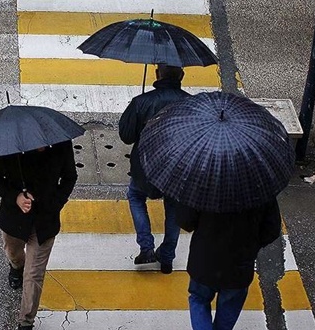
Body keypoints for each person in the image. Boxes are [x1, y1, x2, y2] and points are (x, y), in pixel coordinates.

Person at [0, 140, 77, 330]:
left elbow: (70, 177)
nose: (42, 146)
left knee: (34, 274)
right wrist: (16, 197)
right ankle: (15, 267)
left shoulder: (62, 145)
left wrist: (55, 204)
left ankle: (26, 322)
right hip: (14, 219)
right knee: (14, 254)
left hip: (45, 222)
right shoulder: (10, 147)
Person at [118, 65, 190, 274]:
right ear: (182, 76)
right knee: (174, 210)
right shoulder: (191, 104)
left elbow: (126, 136)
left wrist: (137, 109)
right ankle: (167, 257)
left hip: (145, 167)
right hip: (176, 168)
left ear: (157, 74)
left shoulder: (142, 102)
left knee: (135, 197)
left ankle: (146, 247)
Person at [174, 199, 282, 330]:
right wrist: (252, 246)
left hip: (204, 260)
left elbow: (186, 221)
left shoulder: (203, 186)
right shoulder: (260, 190)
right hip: (240, 263)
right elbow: (272, 229)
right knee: (229, 307)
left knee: (199, 300)